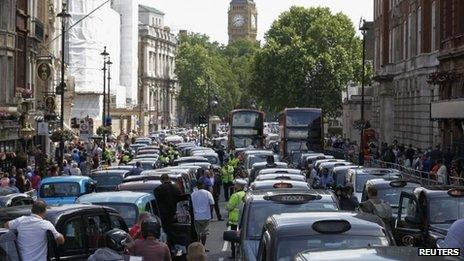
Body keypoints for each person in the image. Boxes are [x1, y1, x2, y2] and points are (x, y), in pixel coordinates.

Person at [153, 174, 182, 244]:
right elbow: (180, 200)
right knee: (175, 231)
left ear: (161, 180)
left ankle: (168, 244)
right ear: (169, 179)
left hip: (163, 215)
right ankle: (175, 244)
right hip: (175, 214)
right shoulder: (176, 188)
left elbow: (155, 203)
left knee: (166, 231)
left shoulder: (158, 189)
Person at [225, 179, 247, 259]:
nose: (235, 186)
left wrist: (226, 206)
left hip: (234, 221)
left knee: (233, 238)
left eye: (236, 185)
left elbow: (229, 207)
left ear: (239, 186)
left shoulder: (235, 195)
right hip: (243, 220)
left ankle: (233, 254)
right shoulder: (245, 194)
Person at [191, 180, 215, 246]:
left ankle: (198, 246)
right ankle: (203, 246)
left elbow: (190, 205)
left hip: (196, 216)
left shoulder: (193, 194)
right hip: (206, 216)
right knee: (204, 232)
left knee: (198, 233)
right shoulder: (207, 193)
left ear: (197, 186)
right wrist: (210, 212)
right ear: (203, 185)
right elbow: (212, 203)